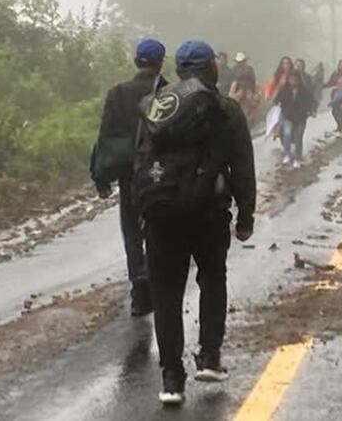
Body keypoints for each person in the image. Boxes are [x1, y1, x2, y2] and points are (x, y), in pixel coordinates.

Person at [133, 40, 256, 406]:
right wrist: (245, 216)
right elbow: (243, 167)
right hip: (208, 212)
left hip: (159, 214)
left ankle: (171, 378)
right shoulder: (225, 109)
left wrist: (143, 207)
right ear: (210, 69)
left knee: (167, 293)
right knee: (212, 280)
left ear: (180, 68)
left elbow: (138, 160)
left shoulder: (156, 107)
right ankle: (210, 357)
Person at [91, 38, 167, 317]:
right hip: (163, 174)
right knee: (159, 229)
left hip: (129, 174)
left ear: (137, 61)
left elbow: (106, 138)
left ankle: (139, 290)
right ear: (161, 62)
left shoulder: (117, 94)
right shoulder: (170, 92)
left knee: (132, 231)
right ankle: (158, 284)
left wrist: (101, 179)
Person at [273, 68, 315, 167]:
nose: (293, 81)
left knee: (298, 137)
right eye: (291, 78)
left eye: (295, 78)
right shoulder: (284, 89)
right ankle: (287, 154)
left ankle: (297, 157)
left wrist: (310, 111)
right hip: (287, 117)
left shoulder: (304, 91)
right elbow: (276, 100)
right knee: (287, 134)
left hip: (300, 118)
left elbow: (310, 102)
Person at [228, 52, 258, 117]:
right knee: (234, 100)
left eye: (242, 61)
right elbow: (233, 80)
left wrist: (254, 90)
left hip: (248, 87)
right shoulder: (234, 69)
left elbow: (253, 80)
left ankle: (250, 116)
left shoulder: (249, 69)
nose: (240, 63)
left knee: (251, 101)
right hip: (238, 87)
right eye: (239, 62)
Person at [326, 59, 342, 133]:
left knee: (341, 111)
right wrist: (323, 85)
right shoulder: (335, 73)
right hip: (335, 93)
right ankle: (340, 125)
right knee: (334, 112)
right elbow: (330, 82)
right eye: (341, 65)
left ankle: (340, 127)